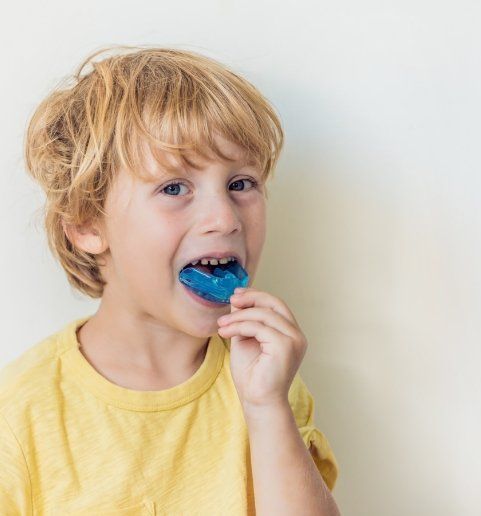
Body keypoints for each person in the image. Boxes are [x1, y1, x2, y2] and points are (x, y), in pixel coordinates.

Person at [0, 45, 340, 514]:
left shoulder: (265, 378)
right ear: (86, 224)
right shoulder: (18, 419)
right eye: (174, 188)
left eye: (241, 184)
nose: (224, 219)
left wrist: (267, 408)